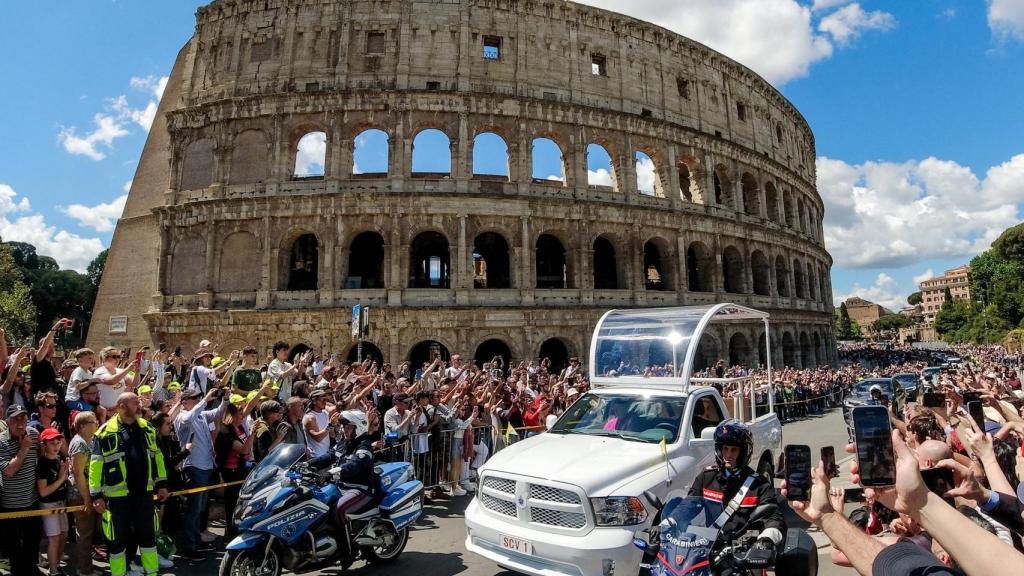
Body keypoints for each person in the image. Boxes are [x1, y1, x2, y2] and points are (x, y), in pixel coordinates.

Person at [89, 393, 169, 576]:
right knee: (117, 543)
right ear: (122, 406)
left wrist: (162, 483)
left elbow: (158, 457)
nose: (139, 405)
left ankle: (151, 573)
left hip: (144, 495)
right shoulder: (104, 433)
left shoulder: (147, 428)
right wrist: (96, 495)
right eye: (135, 402)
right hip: (118, 499)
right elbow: (95, 465)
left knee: (148, 540)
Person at [686, 421, 785, 567]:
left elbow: (774, 518)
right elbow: (687, 507)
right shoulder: (706, 478)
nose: (728, 455)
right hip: (707, 549)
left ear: (743, 452)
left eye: (734, 450)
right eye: (725, 449)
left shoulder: (759, 484)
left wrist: (766, 540)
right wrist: (665, 526)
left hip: (745, 552)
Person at [173, 386, 226, 560]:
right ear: (184, 402)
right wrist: (205, 400)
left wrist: (225, 399)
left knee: (200, 509)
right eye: (194, 399)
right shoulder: (182, 417)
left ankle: (196, 540)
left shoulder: (201, 415)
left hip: (206, 467)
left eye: (198, 398)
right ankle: (189, 547)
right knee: (193, 510)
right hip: (193, 467)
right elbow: (190, 417)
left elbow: (218, 413)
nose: (198, 400)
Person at [0, 404, 43, 576]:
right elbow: (8, 471)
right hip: (10, 504)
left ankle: (31, 568)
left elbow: (41, 456)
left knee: (33, 541)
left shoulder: (34, 434)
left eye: (23, 419)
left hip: (31, 501)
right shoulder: (1, 441)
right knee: (14, 547)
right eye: (15, 419)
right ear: (7, 422)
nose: (20, 423)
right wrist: (24, 448)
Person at [69, 411, 101, 576]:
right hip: (81, 494)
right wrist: (87, 499)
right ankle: (84, 570)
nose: (97, 423)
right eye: (93, 421)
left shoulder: (89, 440)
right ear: (82, 426)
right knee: (85, 534)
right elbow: (78, 473)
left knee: (89, 533)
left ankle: (87, 567)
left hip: (89, 492)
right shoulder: (79, 443)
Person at [37, 427, 69, 576]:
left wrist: (66, 476)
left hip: (61, 502)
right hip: (49, 504)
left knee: (63, 534)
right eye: (52, 443)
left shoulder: (58, 460)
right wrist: (62, 479)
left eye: (58, 441)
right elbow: (43, 491)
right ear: (44, 445)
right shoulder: (42, 464)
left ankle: (55, 564)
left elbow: (60, 483)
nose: (57, 445)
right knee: (54, 538)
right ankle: (54, 571)